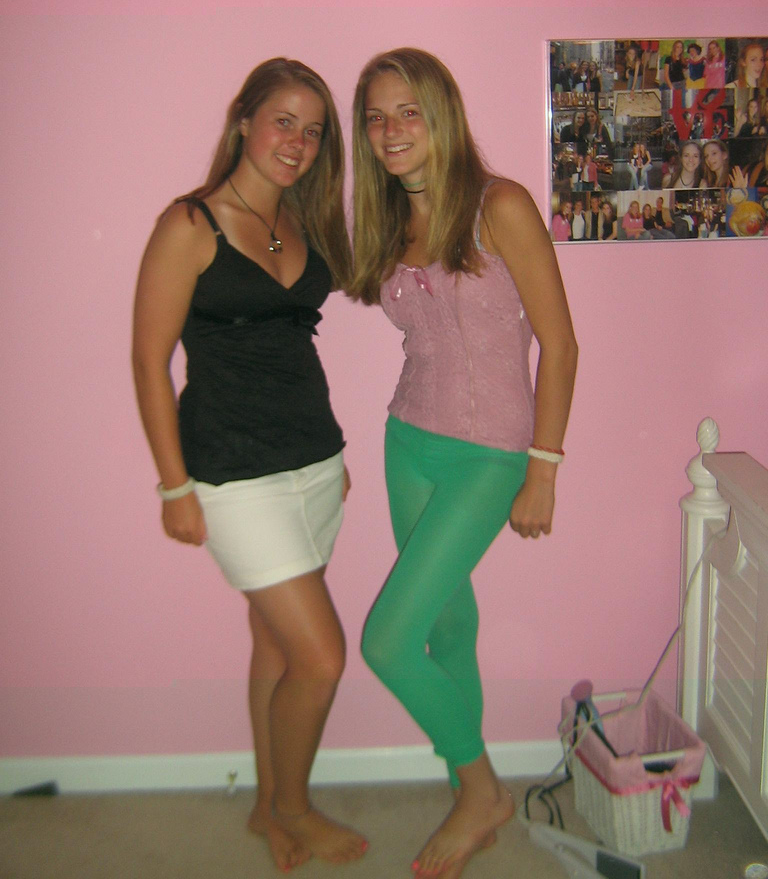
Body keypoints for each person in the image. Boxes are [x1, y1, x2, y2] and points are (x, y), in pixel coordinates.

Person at [132, 58, 367, 872]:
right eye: (283, 121)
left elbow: (293, 343)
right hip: (232, 473)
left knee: (274, 644)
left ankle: (268, 808)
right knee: (321, 658)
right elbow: (149, 361)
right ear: (244, 121)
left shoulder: (299, 222)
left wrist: (331, 458)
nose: (297, 142)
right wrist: (174, 485)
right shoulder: (189, 224)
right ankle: (296, 808)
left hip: (315, 461)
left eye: (313, 130)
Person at [349, 48, 578, 879]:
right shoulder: (389, 222)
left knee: (386, 640)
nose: (390, 130)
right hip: (407, 441)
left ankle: (482, 791)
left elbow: (561, 342)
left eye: (407, 111)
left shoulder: (500, 206)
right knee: (446, 625)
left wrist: (542, 468)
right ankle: (466, 795)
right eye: (376, 117)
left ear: (441, 113)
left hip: (489, 453)